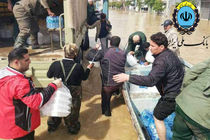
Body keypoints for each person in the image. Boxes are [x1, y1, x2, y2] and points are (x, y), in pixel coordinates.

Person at [113, 32, 184, 140]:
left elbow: (150, 80)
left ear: (161, 47)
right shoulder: (170, 54)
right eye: (150, 45)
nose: (150, 48)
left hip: (171, 94)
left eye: (152, 46)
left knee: (157, 116)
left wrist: (128, 77)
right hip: (180, 91)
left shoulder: (161, 61)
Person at [0, 48, 61, 140]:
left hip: (9, 120)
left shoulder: (4, 73)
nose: (30, 61)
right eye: (26, 60)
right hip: (21, 126)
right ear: (16, 62)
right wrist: (53, 85)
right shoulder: (20, 83)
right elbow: (38, 102)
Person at [47, 44, 94, 134]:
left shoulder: (55, 64)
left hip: (58, 89)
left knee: (57, 106)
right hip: (73, 92)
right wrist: (88, 68)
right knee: (73, 109)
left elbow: (48, 75)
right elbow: (84, 78)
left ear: (64, 52)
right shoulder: (78, 67)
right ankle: (72, 127)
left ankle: (53, 125)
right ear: (75, 54)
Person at [172, 58, 210, 139]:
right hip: (202, 116)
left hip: (184, 102)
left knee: (179, 137)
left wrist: (187, 94)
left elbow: (191, 73)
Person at [98, 36, 126, 116]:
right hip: (119, 82)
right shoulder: (123, 52)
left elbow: (89, 56)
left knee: (105, 100)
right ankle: (116, 92)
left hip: (109, 84)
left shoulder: (105, 51)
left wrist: (96, 50)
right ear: (119, 44)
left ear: (110, 43)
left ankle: (106, 113)